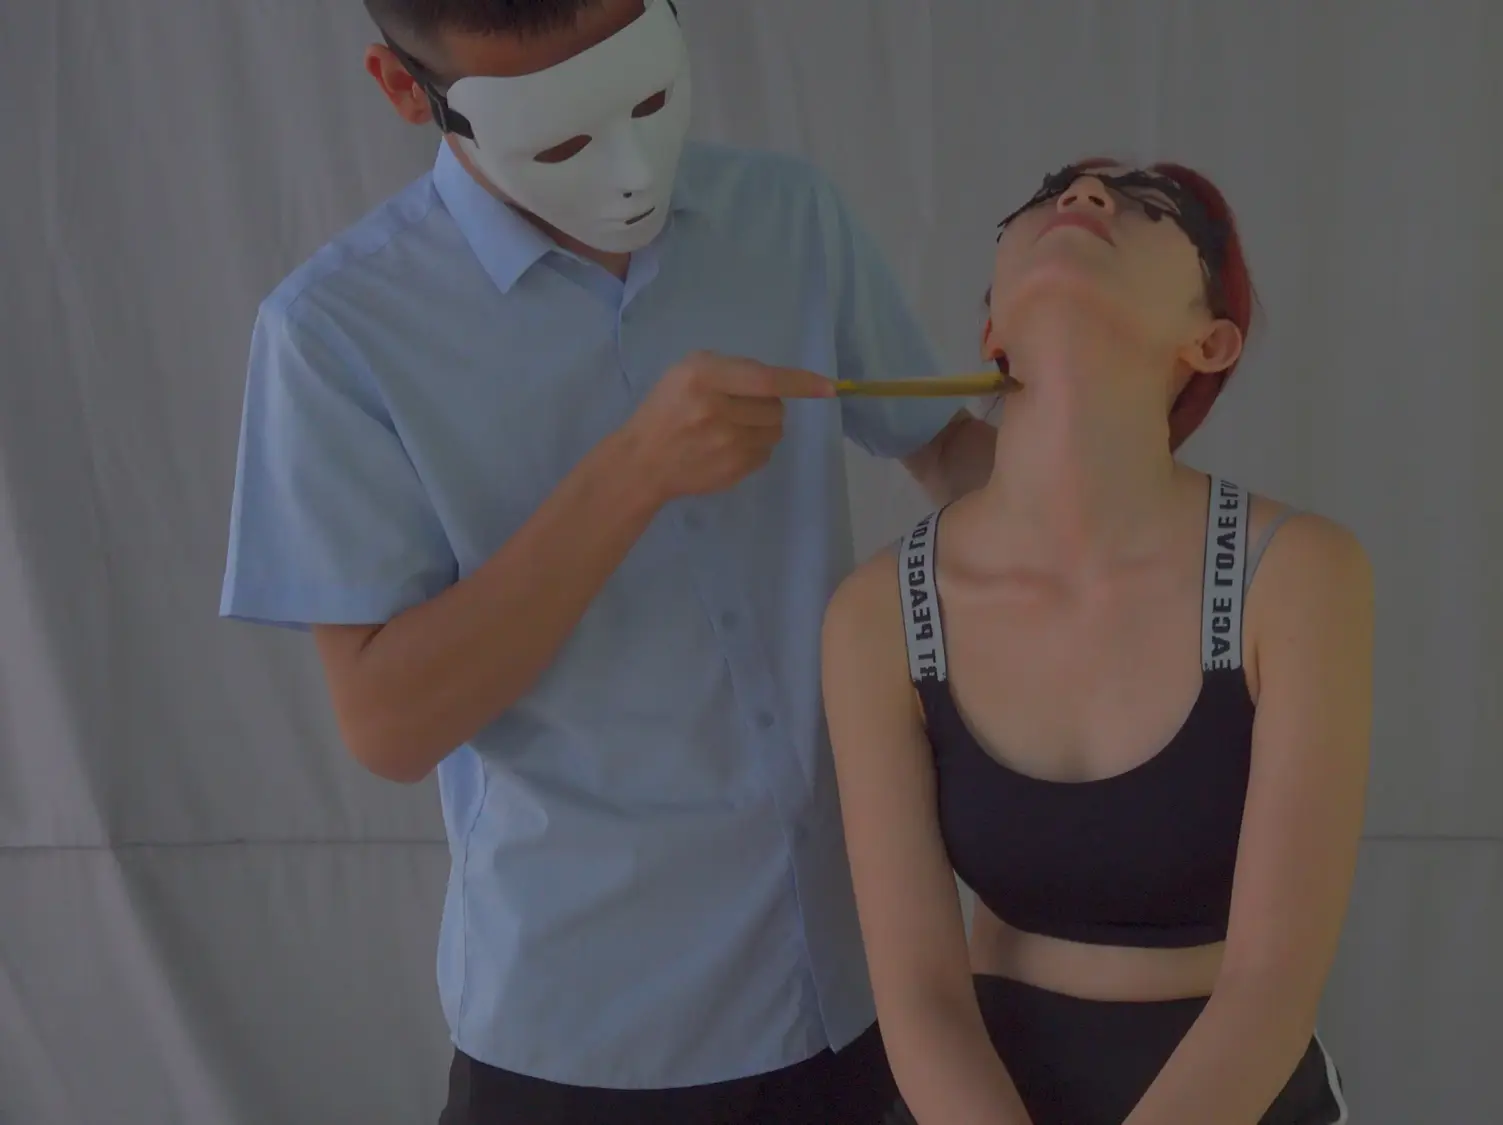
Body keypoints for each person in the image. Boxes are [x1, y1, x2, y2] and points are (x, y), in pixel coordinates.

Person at [217, 0, 996, 1122]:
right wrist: (630, 474)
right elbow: (389, 724)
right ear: (404, 90)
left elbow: (947, 452)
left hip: (854, 984)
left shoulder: (787, 218)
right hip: (584, 1038)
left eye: (651, 98)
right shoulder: (335, 334)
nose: (632, 169)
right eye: (563, 138)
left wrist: (1106, 415)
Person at [820, 157, 1373, 1125]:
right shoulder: (876, 613)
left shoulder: (1296, 575)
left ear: (1209, 342)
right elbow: (920, 996)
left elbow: (1269, 988)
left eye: (1153, 208)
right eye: (1049, 194)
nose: (1081, 200)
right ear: (992, 332)